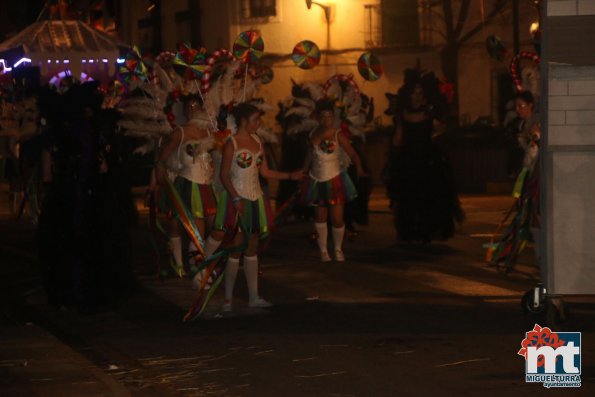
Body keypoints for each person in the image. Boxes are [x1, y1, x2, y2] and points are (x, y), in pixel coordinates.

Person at [203, 103, 301, 311]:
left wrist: (289, 176)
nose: (259, 123)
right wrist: (236, 199)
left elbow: (265, 172)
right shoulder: (232, 143)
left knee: (252, 247)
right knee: (235, 249)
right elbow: (223, 174)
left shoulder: (257, 141)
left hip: (256, 199)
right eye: (256, 119)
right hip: (237, 200)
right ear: (244, 121)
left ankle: (253, 296)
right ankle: (228, 298)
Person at [387, 70, 463, 243]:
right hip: (409, 161)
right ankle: (411, 231)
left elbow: (441, 131)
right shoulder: (403, 115)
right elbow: (397, 140)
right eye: (414, 92)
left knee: (428, 197)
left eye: (420, 93)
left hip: (428, 161)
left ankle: (426, 231)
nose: (417, 96)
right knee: (409, 199)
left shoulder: (429, 113)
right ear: (408, 94)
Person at [155, 96, 217, 287]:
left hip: (207, 184)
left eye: (197, 107)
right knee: (196, 230)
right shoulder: (179, 132)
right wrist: (161, 181)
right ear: (184, 111)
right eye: (189, 107)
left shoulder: (209, 131)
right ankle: (195, 273)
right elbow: (162, 159)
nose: (193, 110)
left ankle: (202, 264)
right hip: (189, 184)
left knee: (214, 229)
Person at [302, 100, 365, 262]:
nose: (326, 120)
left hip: (335, 178)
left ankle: (338, 248)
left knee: (337, 218)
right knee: (320, 217)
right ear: (317, 118)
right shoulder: (312, 134)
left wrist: (359, 167)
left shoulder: (338, 134)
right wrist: (303, 172)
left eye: (329, 116)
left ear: (333, 117)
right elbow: (309, 155)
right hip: (317, 179)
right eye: (323, 117)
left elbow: (352, 153)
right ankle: (323, 251)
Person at [490, 91, 540, 271]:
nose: (519, 110)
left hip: (537, 177)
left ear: (531, 105)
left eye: (522, 106)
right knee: (524, 217)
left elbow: (534, 153)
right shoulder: (522, 124)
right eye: (516, 106)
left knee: (532, 218)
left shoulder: (537, 123)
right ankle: (508, 255)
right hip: (528, 174)